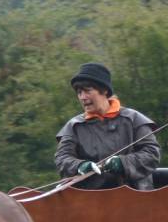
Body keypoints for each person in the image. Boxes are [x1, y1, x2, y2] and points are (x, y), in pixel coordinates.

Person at [55, 62, 160, 190]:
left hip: (134, 197)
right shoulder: (74, 126)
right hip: (89, 200)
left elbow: (152, 154)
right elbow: (62, 158)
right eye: (79, 92)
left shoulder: (133, 119)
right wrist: (80, 166)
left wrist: (122, 163)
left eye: (87, 91)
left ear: (104, 90)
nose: (82, 97)